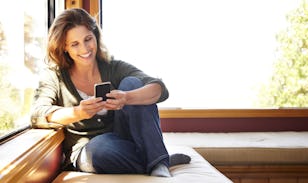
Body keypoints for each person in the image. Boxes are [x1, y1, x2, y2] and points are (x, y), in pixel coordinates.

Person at [30, 8, 190, 177]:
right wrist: (78, 112)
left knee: (132, 83)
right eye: (74, 44)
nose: (84, 48)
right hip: (89, 151)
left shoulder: (113, 67)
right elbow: (37, 114)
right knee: (100, 149)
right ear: (64, 47)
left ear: (95, 36)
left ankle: (156, 161)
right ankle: (157, 160)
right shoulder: (54, 76)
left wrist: (127, 98)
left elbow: (159, 89)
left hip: (123, 141)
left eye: (88, 39)